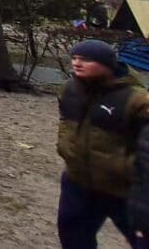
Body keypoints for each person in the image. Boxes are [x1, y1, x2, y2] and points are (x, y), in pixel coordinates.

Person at [57, 39, 149, 248]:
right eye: (74, 58)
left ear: (108, 64)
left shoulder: (136, 99)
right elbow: (65, 121)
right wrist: (66, 148)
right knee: (73, 238)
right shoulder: (69, 90)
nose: (77, 63)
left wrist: (129, 168)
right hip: (77, 181)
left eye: (86, 60)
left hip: (122, 188)